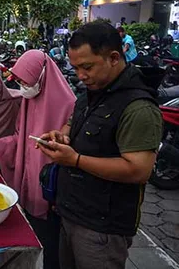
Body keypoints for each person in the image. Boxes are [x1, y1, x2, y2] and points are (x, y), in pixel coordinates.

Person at [38, 22, 162, 269]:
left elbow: (138, 170)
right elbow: (70, 127)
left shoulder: (138, 108)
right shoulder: (89, 95)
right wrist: (60, 137)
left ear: (114, 58)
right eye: (76, 68)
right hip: (70, 211)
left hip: (102, 228)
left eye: (87, 67)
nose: (81, 76)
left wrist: (75, 160)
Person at [0, 50, 76, 269]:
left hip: (54, 192)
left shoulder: (69, 104)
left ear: (41, 76)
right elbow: (21, 137)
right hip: (29, 183)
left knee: (53, 247)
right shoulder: (28, 99)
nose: (22, 86)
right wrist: (1, 144)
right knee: (32, 238)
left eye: (25, 81)